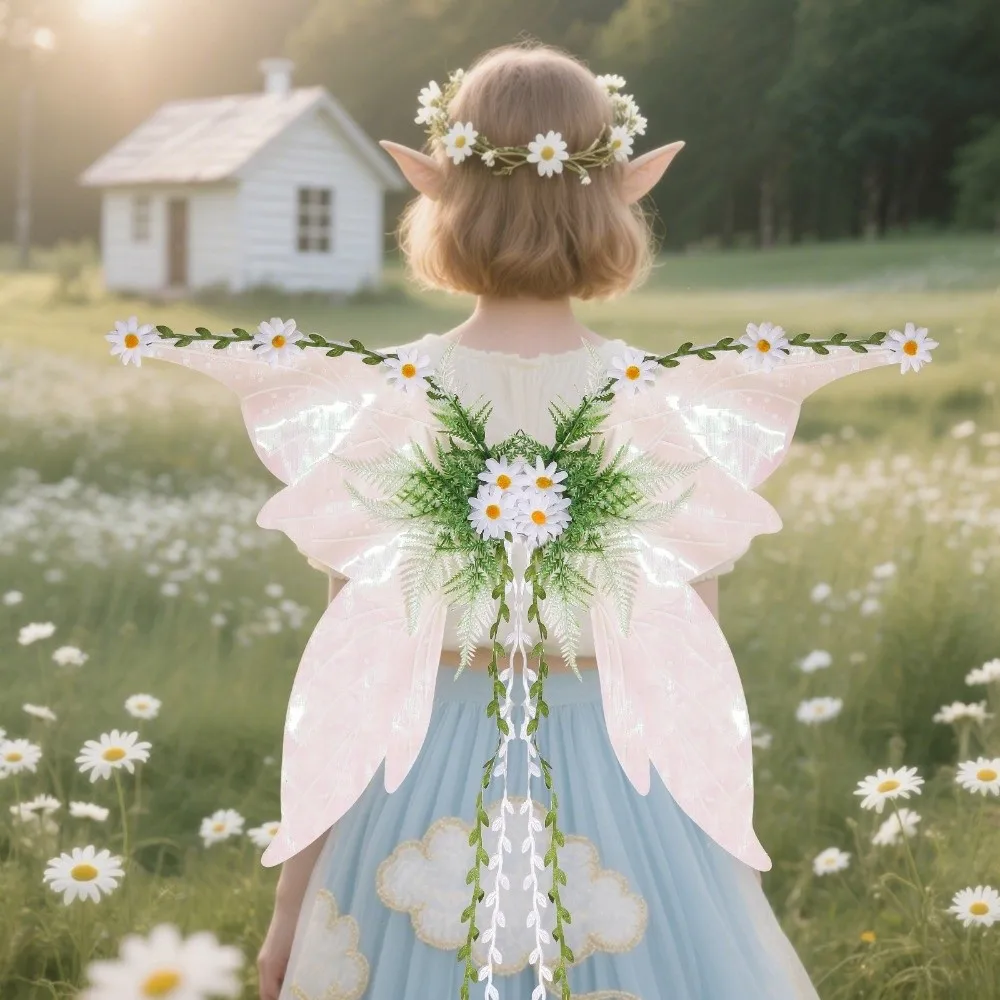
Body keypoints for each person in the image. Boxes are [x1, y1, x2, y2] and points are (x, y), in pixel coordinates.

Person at [130, 40, 928, 1000]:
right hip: (623, 792)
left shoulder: (396, 400)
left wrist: (293, 907)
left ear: (439, 196)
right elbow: (691, 674)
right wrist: (726, 876)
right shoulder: (652, 406)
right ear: (620, 197)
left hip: (419, 780)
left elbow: (350, 681)